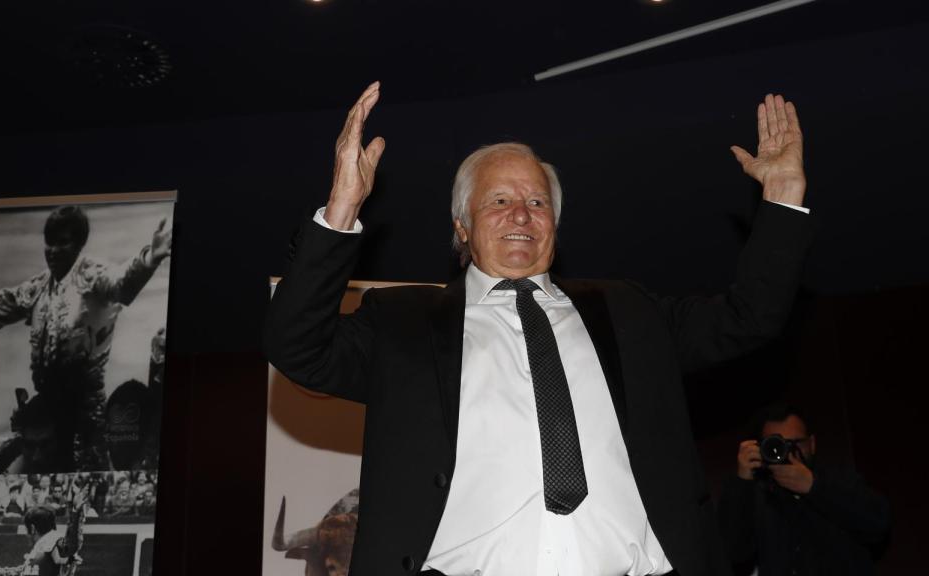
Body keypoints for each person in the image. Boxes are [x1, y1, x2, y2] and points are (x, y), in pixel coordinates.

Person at [264, 82, 813, 576]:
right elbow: (298, 347)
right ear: (462, 228)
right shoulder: (403, 323)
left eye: (536, 202)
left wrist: (783, 197)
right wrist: (340, 212)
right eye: (499, 201)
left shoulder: (629, 311)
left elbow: (751, 317)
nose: (521, 215)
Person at [0, 205, 172, 471]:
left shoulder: (92, 275)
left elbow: (121, 283)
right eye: (49, 243)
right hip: (44, 413)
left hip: (85, 412)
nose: (53, 251)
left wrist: (150, 259)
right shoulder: (37, 287)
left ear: (78, 245)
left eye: (63, 243)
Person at [718, 404, 890, 576]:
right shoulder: (758, 495)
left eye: (796, 443)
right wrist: (742, 483)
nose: (788, 452)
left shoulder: (841, 481)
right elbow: (736, 552)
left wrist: (813, 487)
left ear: (812, 444)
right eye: (777, 445)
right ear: (761, 449)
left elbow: (878, 524)